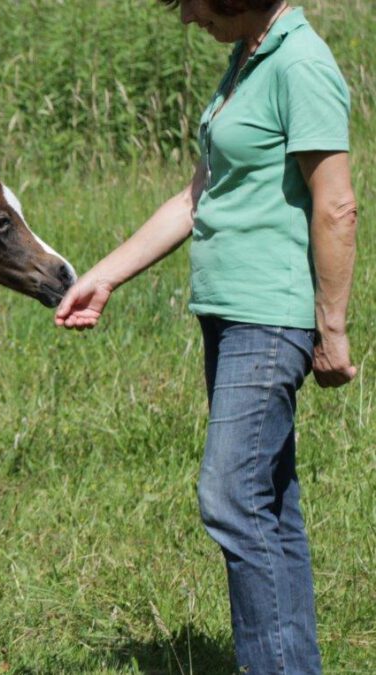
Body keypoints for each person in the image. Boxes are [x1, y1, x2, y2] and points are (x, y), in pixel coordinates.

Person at [54, 1, 357, 672]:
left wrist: (332, 327)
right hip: (229, 313)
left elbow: (337, 205)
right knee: (269, 503)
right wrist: (103, 276)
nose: (188, 17)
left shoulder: (300, 64)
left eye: (192, 1)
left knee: (230, 497)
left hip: (269, 316)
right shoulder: (249, 57)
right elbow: (198, 197)